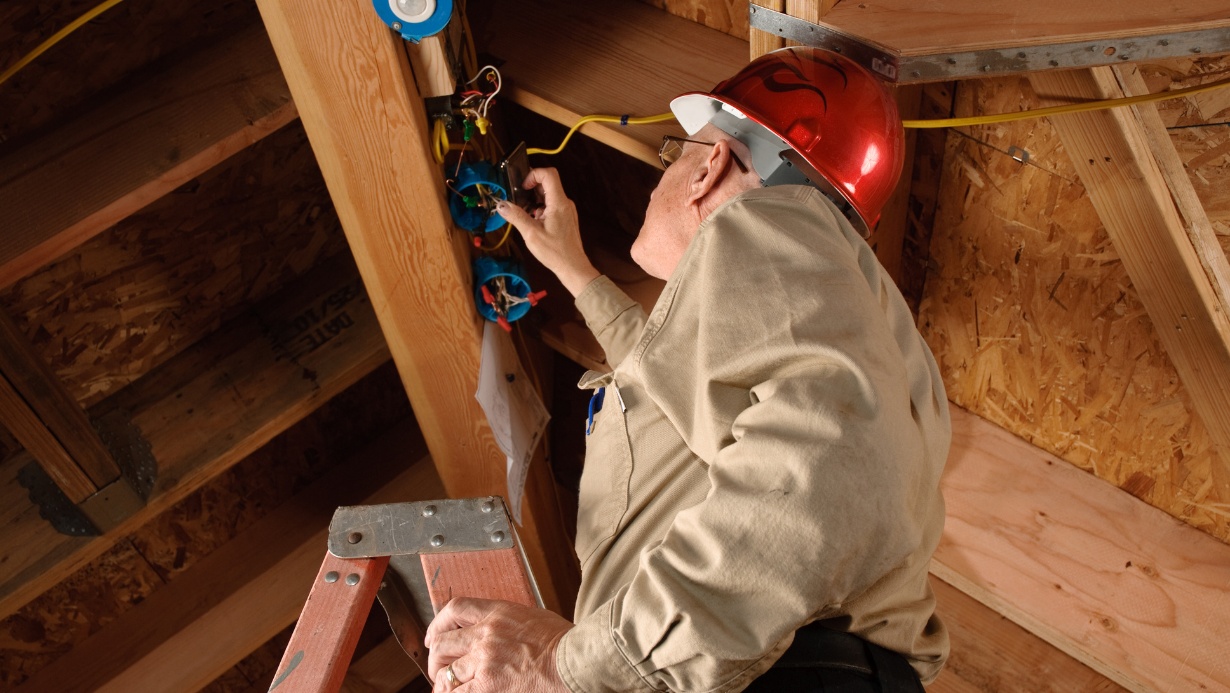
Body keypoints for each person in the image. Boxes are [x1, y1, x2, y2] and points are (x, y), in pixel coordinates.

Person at [423, 47, 951, 693]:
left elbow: (828, 465)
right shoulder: (849, 317)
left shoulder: (766, 222)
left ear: (712, 166)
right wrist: (575, 270)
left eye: (675, 154)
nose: (663, 175)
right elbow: (679, 391)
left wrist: (564, 664)